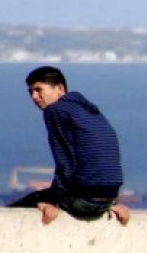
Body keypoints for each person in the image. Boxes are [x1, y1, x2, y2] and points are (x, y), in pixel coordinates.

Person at [6, 66, 130, 226]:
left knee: (12, 212)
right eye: (30, 92)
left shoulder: (55, 111)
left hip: (82, 202)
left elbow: (65, 159)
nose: (34, 97)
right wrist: (111, 202)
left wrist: (53, 200)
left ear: (60, 88)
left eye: (39, 90)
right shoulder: (88, 110)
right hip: (107, 198)